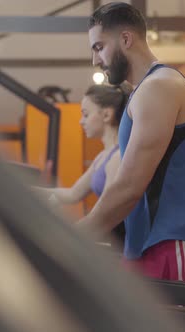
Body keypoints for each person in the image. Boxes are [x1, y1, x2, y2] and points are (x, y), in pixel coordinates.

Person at [78, 2, 185, 283]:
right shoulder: (142, 92)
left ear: (126, 39)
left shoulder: (159, 88)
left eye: (99, 47)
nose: (95, 60)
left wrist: (74, 238)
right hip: (142, 246)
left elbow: (129, 186)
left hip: (171, 244)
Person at [37, 83, 132, 248]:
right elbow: (72, 194)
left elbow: (106, 214)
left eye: (86, 115)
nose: (81, 122)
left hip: (120, 246)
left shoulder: (117, 158)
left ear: (107, 115)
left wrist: (66, 236)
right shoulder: (102, 157)